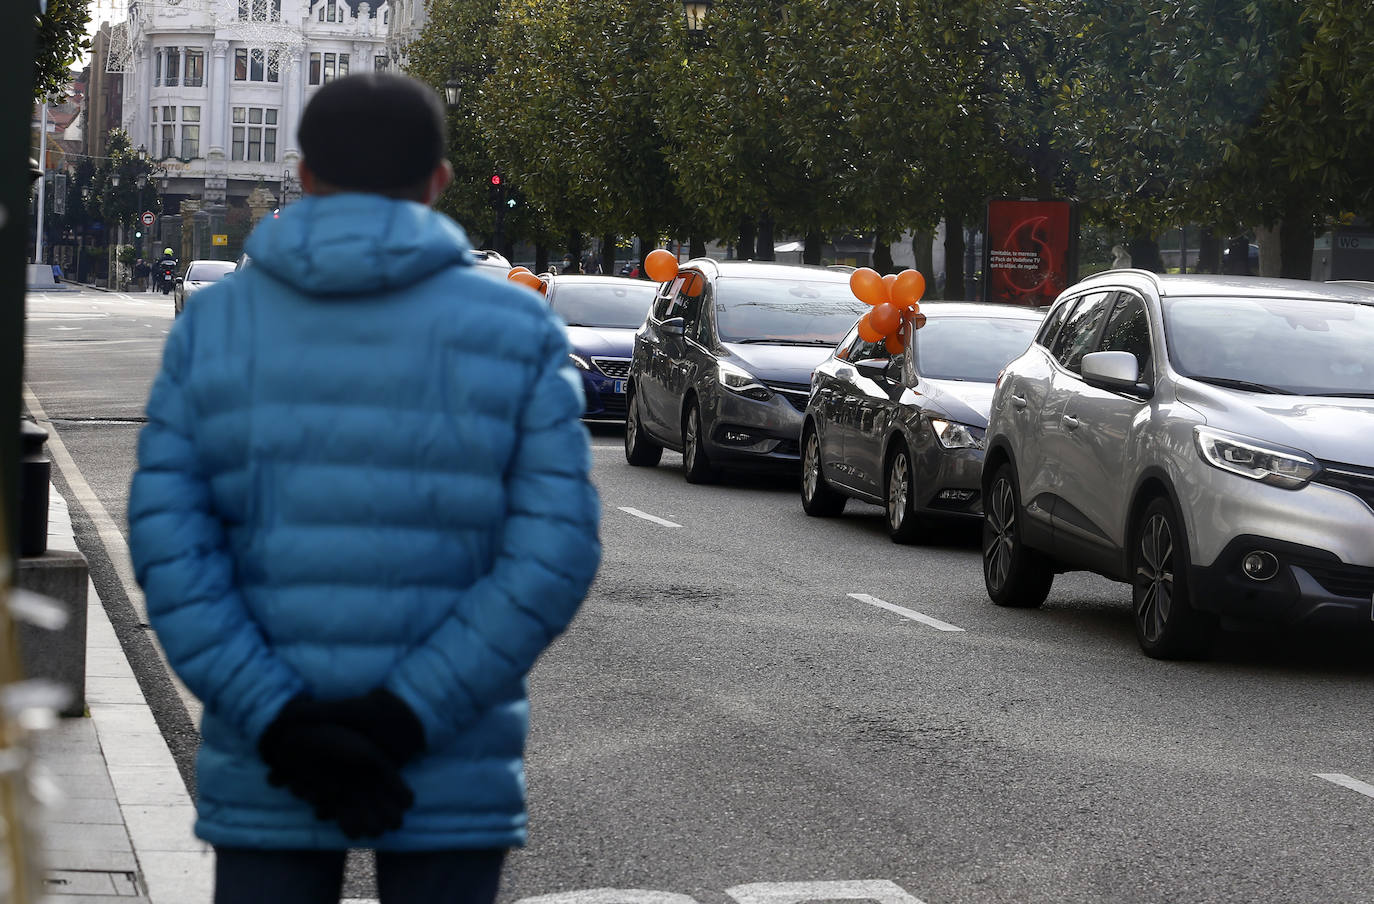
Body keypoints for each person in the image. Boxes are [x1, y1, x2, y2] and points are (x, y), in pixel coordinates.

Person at [127, 72, 601, 904]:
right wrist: (407, 715)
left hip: (267, 760)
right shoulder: (519, 331)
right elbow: (553, 553)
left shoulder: (216, 325)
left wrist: (277, 718)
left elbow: (171, 546)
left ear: (304, 176)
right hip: (446, 760)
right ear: (439, 183)